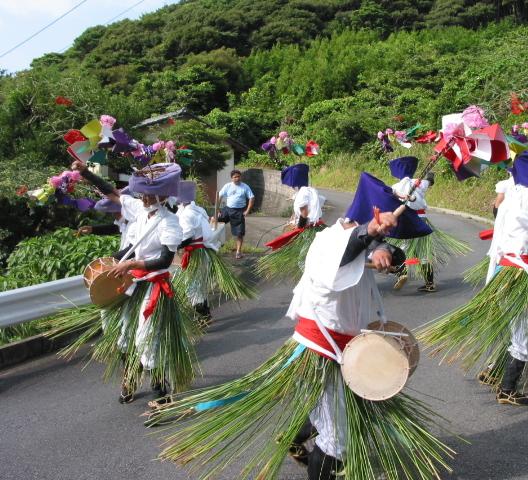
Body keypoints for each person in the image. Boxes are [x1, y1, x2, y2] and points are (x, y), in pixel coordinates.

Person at [147, 174, 454, 480]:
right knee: (338, 439)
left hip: (346, 348)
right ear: (366, 218)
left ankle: (295, 438)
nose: (384, 237)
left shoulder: (361, 242)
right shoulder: (329, 241)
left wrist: (380, 248)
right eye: (380, 230)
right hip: (323, 351)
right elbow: (351, 246)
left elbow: (382, 250)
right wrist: (370, 233)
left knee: (334, 412)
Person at [417, 152, 528, 406]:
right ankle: (507, 389)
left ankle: (496, 373)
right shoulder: (526, 197)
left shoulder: (512, 199)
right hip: (517, 273)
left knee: (517, 330)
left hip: (510, 272)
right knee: (525, 336)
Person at [72, 160, 201, 405]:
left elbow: (164, 260)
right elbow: (113, 193)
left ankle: (161, 392)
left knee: (145, 338)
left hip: (153, 285)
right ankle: (130, 378)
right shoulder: (140, 211)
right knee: (123, 335)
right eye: (142, 193)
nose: (143, 198)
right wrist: (85, 172)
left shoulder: (169, 222)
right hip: (133, 284)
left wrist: (130, 264)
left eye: (149, 195)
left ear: (162, 195)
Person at [386, 156, 471, 292]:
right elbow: (430, 181)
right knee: (424, 252)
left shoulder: (395, 187)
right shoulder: (419, 183)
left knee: (402, 247)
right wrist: (431, 173)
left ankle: (402, 272)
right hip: (422, 220)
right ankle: (430, 284)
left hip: (406, 219)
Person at [174, 180, 256, 316]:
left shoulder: (188, 214)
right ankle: (205, 313)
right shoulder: (197, 210)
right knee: (198, 285)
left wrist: (172, 247)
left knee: (193, 287)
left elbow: (187, 237)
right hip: (201, 252)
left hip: (195, 254)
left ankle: (203, 315)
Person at [257, 163, 327, 282]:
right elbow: (301, 211)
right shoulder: (308, 190)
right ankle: (312, 281)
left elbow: (304, 213)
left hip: (308, 229)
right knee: (307, 257)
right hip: (314, 227)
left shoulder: (303, 192)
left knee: (303, 259)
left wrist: (298, 227)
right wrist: (292, 219)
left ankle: (312, 282)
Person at [217, 169, 254, 259]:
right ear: (231, 178)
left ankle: (238, 252)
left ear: (240, 177)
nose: (237, 178)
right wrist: (217, 210)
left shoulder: (245, 187)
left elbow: (252, 198)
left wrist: (247, 211)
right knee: (214, 221)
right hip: (227, 209)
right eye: (235, 177)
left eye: (238, 176)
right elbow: (219, 196)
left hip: (239, 212)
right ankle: (211, 246)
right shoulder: (228, 186)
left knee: (239, 233)